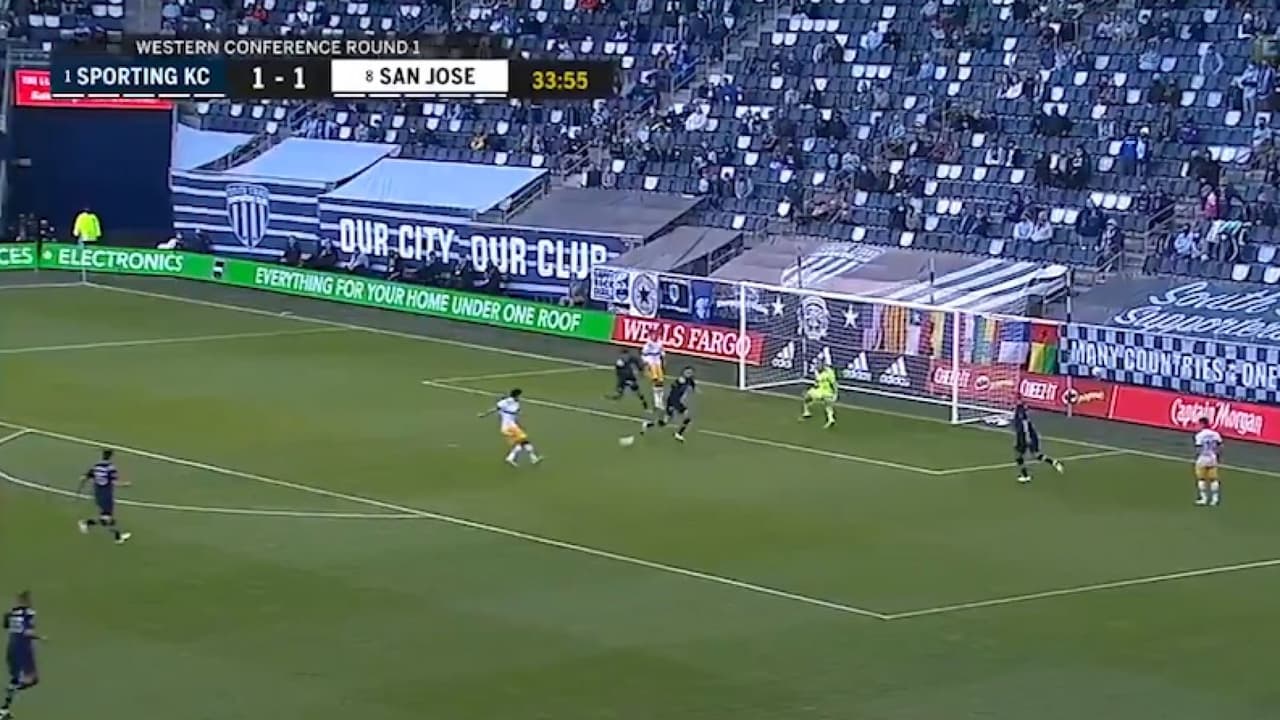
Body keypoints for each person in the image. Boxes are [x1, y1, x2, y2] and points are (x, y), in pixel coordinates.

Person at [77, 449, 131, 544]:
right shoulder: (110, 468)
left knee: (106, 518)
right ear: (111, 456)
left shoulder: (97, 466)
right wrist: (125, 484)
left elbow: (84, 477)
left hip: (98, 493)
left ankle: (117, 537)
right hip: (106, 494)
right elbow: (113, 482)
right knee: (107, 518)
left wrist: (82, 484)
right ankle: (86, 523)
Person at [478, 389, 541, 467]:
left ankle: (514, 458)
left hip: (509, 427)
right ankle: (532, 458)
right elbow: (495, 408)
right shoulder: (507, 402)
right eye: (519, 395)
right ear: (516, 395)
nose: (521, 397)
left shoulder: (514, 403)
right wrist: (484, 414)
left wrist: (520, 422)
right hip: (510, 427)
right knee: (524, 442)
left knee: (520, 444)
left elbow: (514, 413)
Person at [1, 590, 39, 719]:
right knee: (32, 679)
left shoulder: (9, 614)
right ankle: (12, 689)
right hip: (23, 650)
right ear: (26, 601)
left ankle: (4, 709)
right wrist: (40, 638)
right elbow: (28, 632)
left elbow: (6, 626)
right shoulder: (28, 614)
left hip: (11, 649)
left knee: (16, 678)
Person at [1013, 400, 1064, 483]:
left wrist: (1027, 439)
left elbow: (1025, 427)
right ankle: (1054, 462)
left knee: (1027, 456)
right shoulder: (1020, 413)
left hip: (1027, 437)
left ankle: (1026, 476)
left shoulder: (1021, 414)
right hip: (1025, 437)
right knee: (1025, 456)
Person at [642, 367, 695, 442]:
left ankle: (648, 424)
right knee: (687, 416)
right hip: (674, 401)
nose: (689, 374)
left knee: (664, 422)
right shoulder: (680, 380)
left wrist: (694, 389)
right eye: (687, 372)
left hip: (675, 401)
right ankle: (679, 434)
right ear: (683, 372)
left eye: (690, 373)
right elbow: (673, 389)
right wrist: (672, 404)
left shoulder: (689, 380)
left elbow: (692, 385)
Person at [1193, 417, 1223, 507]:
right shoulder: (1215, 434)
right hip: (1212, 457)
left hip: (1203, 458)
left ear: (1202, 424)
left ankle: (1204, 498)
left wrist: (1198, 456)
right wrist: (1217, 455)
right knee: (1214, 479)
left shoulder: (1199, 435)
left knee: (1201, 479)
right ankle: (1215, 499)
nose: (1197, 426)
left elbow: (1198, 448)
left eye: (1198, 424)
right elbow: (1220, 446)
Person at [800, 361, 838, 428]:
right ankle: (830, 419)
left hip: (825, 391)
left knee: (827, 405)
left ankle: (830, 419)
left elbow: (834, 384)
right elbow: (817, 383)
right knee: (807, 397)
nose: (817, 368)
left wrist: (836, 393)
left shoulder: (828, 373)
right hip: (823, 391)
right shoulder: (822, 372)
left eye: (819, 366)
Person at [640, 339, 666, 409]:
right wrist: (646, 366)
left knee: (660, 384)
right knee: (656, 383)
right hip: (652, 366)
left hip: (658, 366)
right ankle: (657, 402)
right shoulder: (647, 346)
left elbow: (662, 354)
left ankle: (659, 402)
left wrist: (663, 362)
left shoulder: (659, 343)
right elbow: (643, 356)